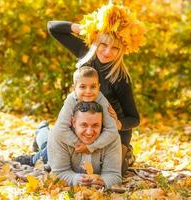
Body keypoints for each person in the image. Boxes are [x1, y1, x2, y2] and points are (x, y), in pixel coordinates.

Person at [47, 3, 143, 173]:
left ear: (121, 50)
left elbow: (134, 118)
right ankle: (42, 134)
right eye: (103, 44)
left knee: (111, 169)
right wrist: (86, 29)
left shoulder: (121, 78)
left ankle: (127, 153)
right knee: (55, 158)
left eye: (115, 48)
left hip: (112, 131)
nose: (107, 52)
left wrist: (119, 124)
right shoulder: (85, 52)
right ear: (96, 41)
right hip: (84, 124)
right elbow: (52, 27)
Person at [14, 66, 118, 167]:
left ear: (99, 87)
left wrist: (90, 147)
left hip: (86, 137)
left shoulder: (102, 101)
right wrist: (79, 145)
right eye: (83, 87)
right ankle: (34, 155)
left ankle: (42, 130)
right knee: (46, 154)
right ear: (74, 88)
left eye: (93, 87)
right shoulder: (71, 100)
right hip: (66, 138)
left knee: (49, 144)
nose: (88, 91)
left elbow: (112, 130)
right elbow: (60, 130)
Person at [47, 101, 122, 188]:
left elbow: (114, 174)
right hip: (51, 149)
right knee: (44, 144)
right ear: (74, 122)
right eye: (84, 125)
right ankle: (42, 129)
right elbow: (59, 172)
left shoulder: (112, 138)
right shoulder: (58, 136)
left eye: (95, 125)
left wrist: (104, 181)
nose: (89, 132)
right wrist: (76, 179)